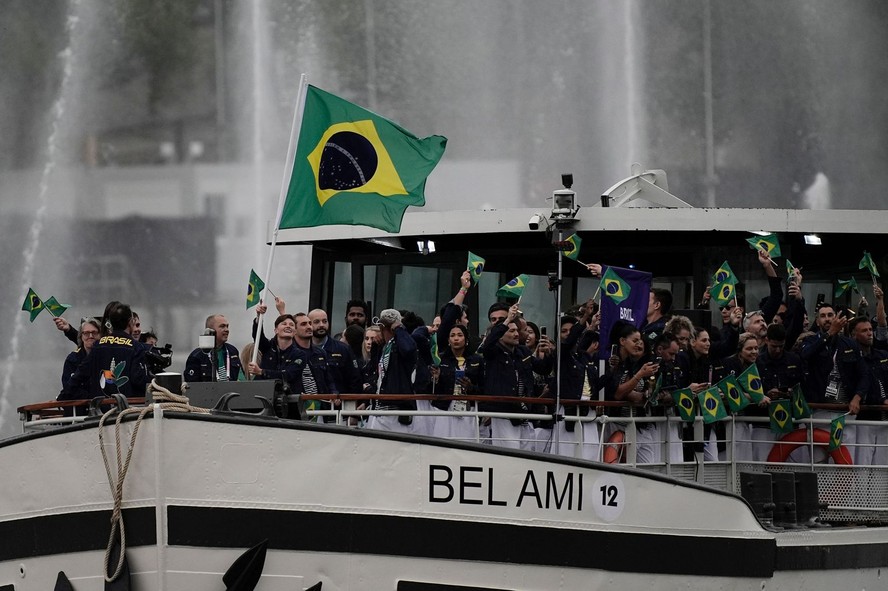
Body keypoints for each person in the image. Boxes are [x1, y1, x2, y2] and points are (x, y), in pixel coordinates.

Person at [248, 306, 337, 420]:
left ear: (295, 331)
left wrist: (261, 372)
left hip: (289, 405)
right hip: (265, 402)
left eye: (291, 325)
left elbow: (288, 375)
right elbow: (258, 336)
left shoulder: (300, 355)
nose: (288, 326)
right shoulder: (268, 348)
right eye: (284, 324)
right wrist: (259, 317)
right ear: (276, 330)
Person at [61, 303, 148, 402]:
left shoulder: (98, 345)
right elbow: (138, 380)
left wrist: (63, 395)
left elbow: (81, 373)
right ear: (130, 322)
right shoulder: (136, 347)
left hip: (101, 410)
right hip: (127, 409)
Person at [478, 304, 535, 449]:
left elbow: (544, 368)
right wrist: (507, 319)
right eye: (511, 331)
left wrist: (548, 353)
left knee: (529, 457)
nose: (517, 334)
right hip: (503, 413)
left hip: (524, 414)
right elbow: (487, 345)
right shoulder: (493, 352)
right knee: (509, 455)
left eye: (517, 330)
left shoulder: (521, 352)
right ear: (501, 334)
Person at [605, 323, 661, 463]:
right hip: (618, 423)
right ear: (622, 341)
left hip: (638, 425)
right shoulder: (613, 362)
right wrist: (640, 375)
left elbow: (638, 393)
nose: (638, 344)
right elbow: (618, 393)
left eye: (640, 341)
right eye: (635, 341)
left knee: (648, 468)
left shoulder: (631, 363)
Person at [365, 309, 418, 433]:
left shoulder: (403, 345)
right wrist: (375, 348)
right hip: (378, 409)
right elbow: (373, 371)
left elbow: (409, 350)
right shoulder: (383, 346)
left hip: (396, 410)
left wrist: (399, 330)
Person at [721, 332, 767, 461]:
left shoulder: (759, 364)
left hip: (748, 418)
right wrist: (757, 397)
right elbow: (731, 391)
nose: (754, 352)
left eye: (756, 348)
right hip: (731, 419)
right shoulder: (729, 363)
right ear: (740, 350)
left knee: (746, 458)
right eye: (749, 348)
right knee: (734, 457)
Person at [432, 324, 482, 441]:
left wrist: (470, 387)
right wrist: (436, 378)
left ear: (466, 339)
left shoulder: (477, 360)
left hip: (467, 409)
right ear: (448, 340)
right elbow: (433, 390)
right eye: (452, 335)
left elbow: (483, 388)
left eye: (460, 335)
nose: (456, 338)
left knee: (467, 444)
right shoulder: (440, 359)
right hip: (445, 409)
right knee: (442, 443)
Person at [184, 314, 244, 382]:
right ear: (210, 330)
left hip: (231, 391)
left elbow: (241, 379)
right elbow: (192, 386)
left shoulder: (232, 351)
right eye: (222, 326)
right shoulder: (197, 355)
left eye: (227, 326)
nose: (227, 330)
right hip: (208, 392)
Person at [60, 319, 101, 395]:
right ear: (81, 336)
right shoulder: (72, 359)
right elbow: (68, 388)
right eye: (86, 333)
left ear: (100, 336)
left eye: (94, 333)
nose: (91, 336)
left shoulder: (107, 357)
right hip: (81, 404)